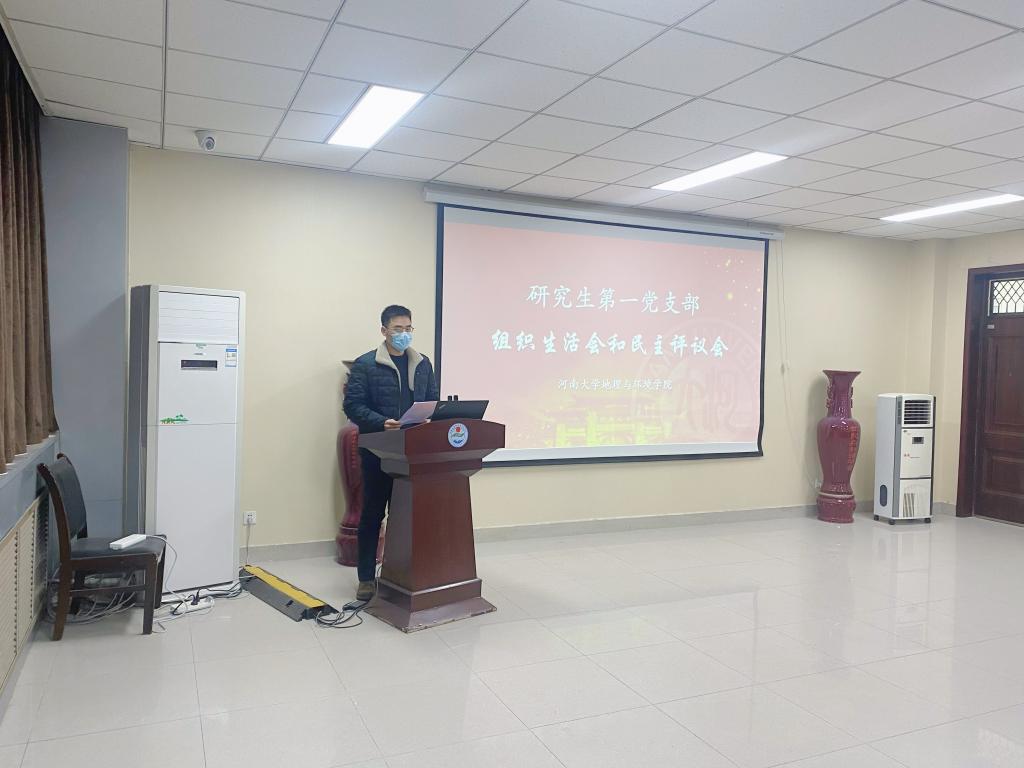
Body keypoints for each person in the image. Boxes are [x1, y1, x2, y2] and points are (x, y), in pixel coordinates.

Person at [342, 305, 439, 601]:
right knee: (373, 514)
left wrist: (429, 417)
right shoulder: (366, 364)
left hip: (413, 451)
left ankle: (402, 573)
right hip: (378, 450)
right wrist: (381, 422)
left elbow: (432, 399)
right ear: (384, 331)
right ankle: (366, 578)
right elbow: (352, 406)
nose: (404, 334)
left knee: (406, 514)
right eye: (398, 329)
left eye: (408, 329)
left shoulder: (422, 363)